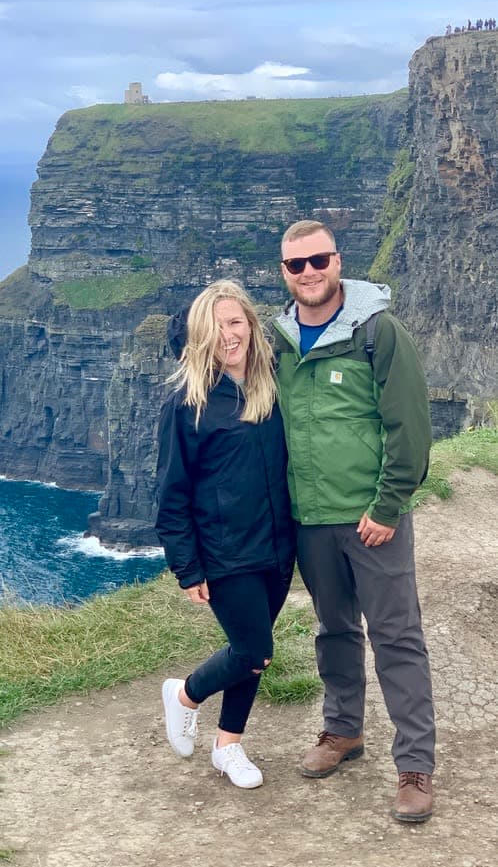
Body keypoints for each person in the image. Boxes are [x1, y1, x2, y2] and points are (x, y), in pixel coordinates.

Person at [272, 219, 435, 823]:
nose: (309, 272)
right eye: (296, 265)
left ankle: (415, 765)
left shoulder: (378, 332)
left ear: (338, 261)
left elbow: (410, 427)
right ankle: (343, 731)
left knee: (397, 638)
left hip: (372, 521)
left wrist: (388, 507)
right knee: (333, 630)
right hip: (311, 521)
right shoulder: (280, 341)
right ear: (284, 273)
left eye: (319, 260)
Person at [155, 279, 296, 789]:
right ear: (199, 337)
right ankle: (185, 695)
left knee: (252, 654)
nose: (228, 335)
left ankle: (227, 746)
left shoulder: (274, 383)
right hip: (225, 551)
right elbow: (171, 492)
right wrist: (187, 566)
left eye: (235, 322)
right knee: (253, 649)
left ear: (252, 327)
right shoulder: (188, 403)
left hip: (278, 545)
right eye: (215, 327)